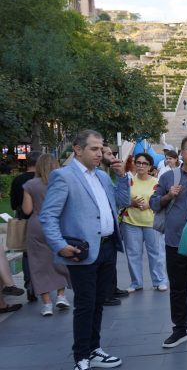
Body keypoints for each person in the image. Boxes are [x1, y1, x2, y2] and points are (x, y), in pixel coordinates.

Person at [40, 129, 130, 370]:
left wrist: (121, 177)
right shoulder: (64, 176)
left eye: (101, 148)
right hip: (82, 250)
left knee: (99, 302)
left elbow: (121, 201)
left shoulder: (101, 176)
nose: (99, 153)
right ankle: (81, 355)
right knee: (85, 304)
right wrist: (60, 246)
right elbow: (48, 216)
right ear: (78, 150)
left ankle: (94, 348)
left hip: (108, 248)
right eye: (94, 148)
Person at [150, 135, 187, 348]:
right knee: (178, 288)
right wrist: (168, 196)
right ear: (182, 153)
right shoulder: (168, 177)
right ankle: (179, 329)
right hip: (175, 242)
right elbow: (154, 203)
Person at [22, 153, 71, 316]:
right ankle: (61, 296)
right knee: (60, 259)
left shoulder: (30, 185)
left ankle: (46, 304)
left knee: (38, 264)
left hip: (37, 225)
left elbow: (27, 210)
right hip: (58, 224)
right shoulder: (61, 182)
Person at [119, 152, 167, 293]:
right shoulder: (129, 181)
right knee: (133, 254)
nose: (140, 166)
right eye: (138, 162)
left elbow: (163, 201)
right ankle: (136, 282)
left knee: (156, 253)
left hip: (151, 223)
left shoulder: (157, 182)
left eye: (144, 163)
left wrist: (151, 205)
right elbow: (120, 199)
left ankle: (159, 281)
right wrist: (131, 203)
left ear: (150, 166)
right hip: (131, 222)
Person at [10, 150, 41, 302]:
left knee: (27, 254)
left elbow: (14, 204)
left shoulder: (17, 180)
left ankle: (30, 283)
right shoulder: (44, 179)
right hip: (42, 221)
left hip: (24, 221)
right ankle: (48, 284)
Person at [100, 145, 129, 305]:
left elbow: (122, 200)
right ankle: (106, 292)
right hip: (94, 236)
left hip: (110, 229)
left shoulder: (105, 176)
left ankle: (111, 289)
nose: (113, 157)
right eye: (109, 154)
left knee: (110, 262)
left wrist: (122, 176)